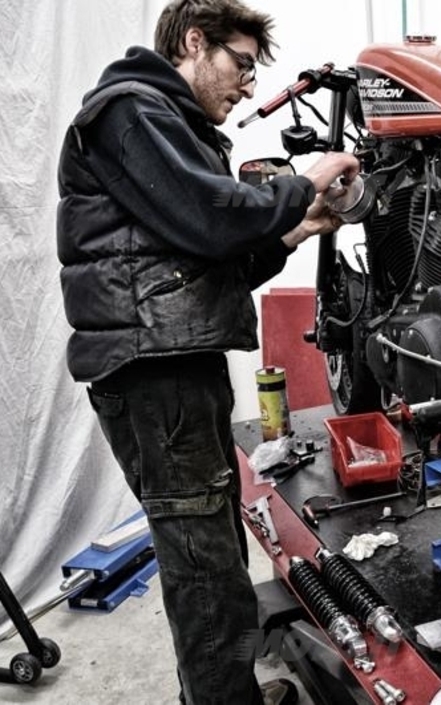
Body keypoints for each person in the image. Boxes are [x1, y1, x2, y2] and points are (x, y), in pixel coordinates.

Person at [56, 1, 358, 703]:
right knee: (204, 569)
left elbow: (212, 263)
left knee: (213, 547)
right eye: (241, 65)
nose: (248, 86)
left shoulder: (169, 125)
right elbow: (213, 216)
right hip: (155, 373)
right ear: (195, 43)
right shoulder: (129, 113)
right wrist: (305, 181)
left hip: (177, 366)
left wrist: (297, 227)